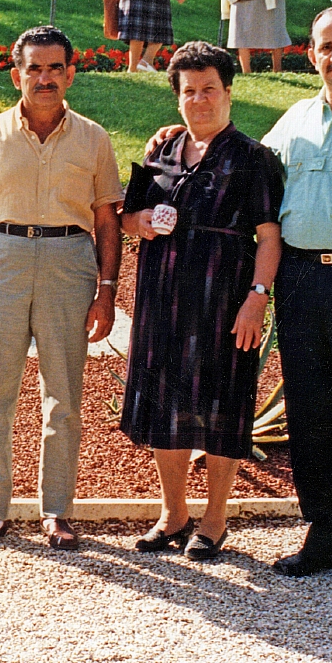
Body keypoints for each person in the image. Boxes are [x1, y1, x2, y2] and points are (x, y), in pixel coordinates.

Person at [144, 7, 332, 596]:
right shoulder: (297, 119)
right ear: (310, 54)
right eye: (325, 47)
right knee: (308, 417)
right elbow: (241, 159)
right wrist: (177, 134)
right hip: (301, 283)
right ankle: (323, 540)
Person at [0, 26, 124, 550]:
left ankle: (57, 511)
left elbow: (107, 221)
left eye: (54, 68)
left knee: (64, 397)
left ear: (70, 73)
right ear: (16, 74)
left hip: (69, 264)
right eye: (34, 69)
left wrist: (107, 290)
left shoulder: (93, 139)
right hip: (1, 261)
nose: (44, 79)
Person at [119, 42, 284, 561]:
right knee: (164, 400)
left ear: (228, 91)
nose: (199, 100)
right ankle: (173, 513)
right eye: (189, 92)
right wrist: (141, 222)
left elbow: (270, 236)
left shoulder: (253, 159)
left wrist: (257, 298)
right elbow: (129, 216)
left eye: (209, 89)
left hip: (224, 297)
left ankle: (214, 518)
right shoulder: (161, 151)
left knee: (221, 401)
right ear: (177, 98)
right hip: (162, 296)